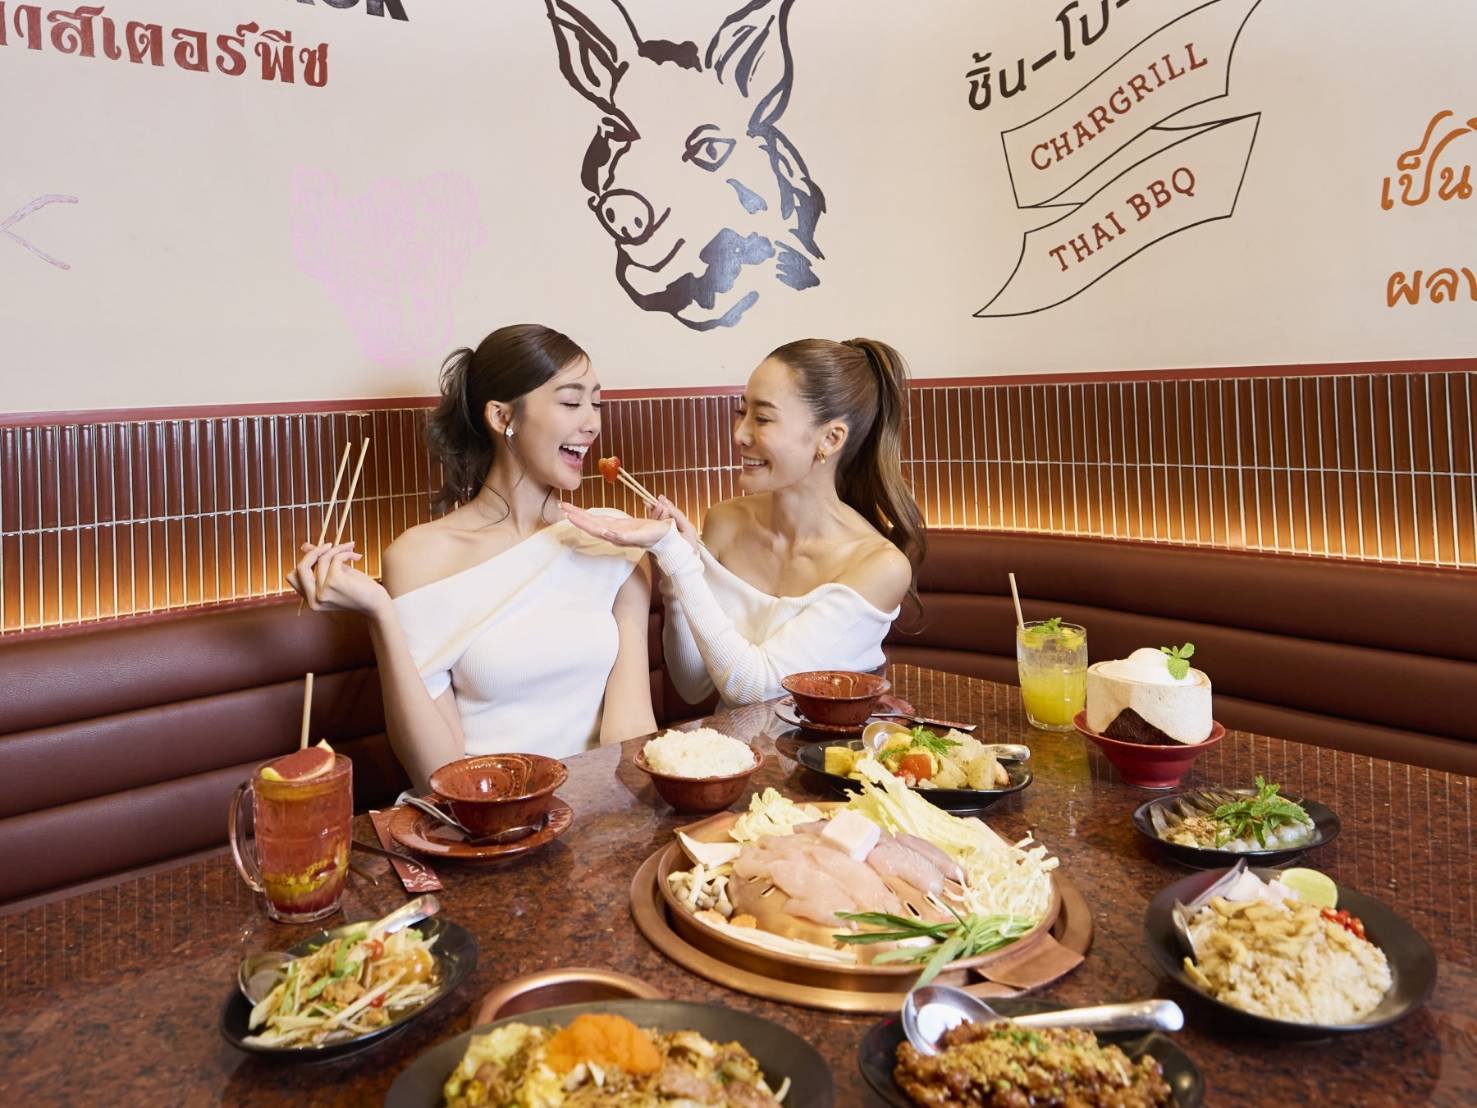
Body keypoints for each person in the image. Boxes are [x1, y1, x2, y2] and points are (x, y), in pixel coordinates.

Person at [290, 324, 656, 790]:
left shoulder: (614, 537)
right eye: (571, 403)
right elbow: (435, 771)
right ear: (502, 417)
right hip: (482, 811)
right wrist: (381, 613)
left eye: (596, 403)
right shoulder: (418, 557)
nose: (592, 424)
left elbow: (630, 734)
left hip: (598, 804)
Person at [560, 337, 924, 707]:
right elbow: (692, 684)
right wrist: (675, 574)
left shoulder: (880, 566)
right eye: (742, 412)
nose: (740, 435)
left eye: (762, 419)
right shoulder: (726, 521)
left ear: (830, 438)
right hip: (733, 744)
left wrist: (678, 558)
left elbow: (755, 688)